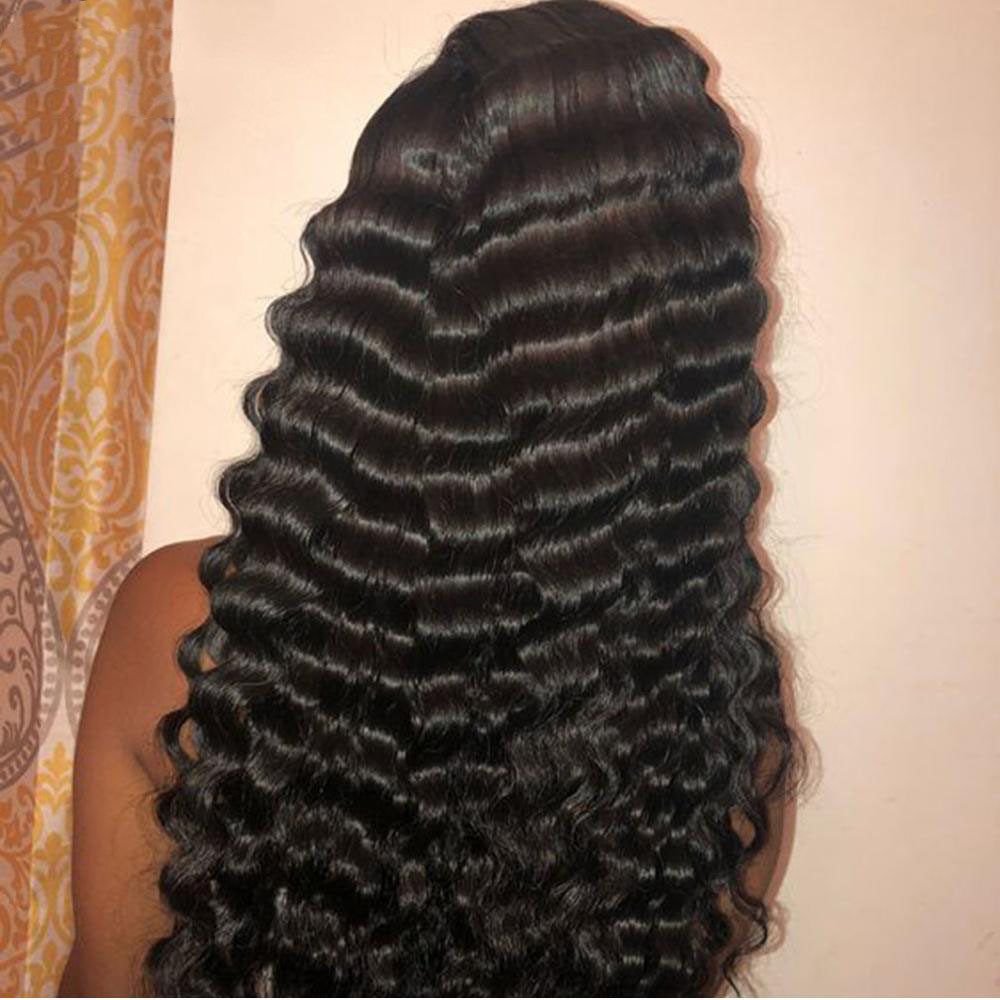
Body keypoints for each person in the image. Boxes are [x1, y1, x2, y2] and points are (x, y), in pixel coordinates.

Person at [59, 0, 805, 994]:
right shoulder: (710, 716)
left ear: (371, 289)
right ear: (696, 337)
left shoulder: (186, 625)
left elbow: (107, 981)